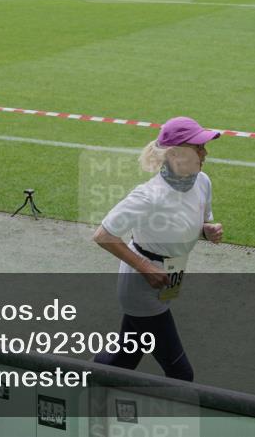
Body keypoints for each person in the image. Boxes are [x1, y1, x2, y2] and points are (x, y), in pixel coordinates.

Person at [92, 116, 223, 382]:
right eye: (198, 147)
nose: (205, 153)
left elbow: (182, 223)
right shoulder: (148, 195)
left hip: (168, 277)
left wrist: (205, 231)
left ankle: (83, 381)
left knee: (124, 358)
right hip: (141, 287)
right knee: (180, 373)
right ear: (175, 154)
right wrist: (146, 268)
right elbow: (103, 235)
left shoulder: (202, 181)